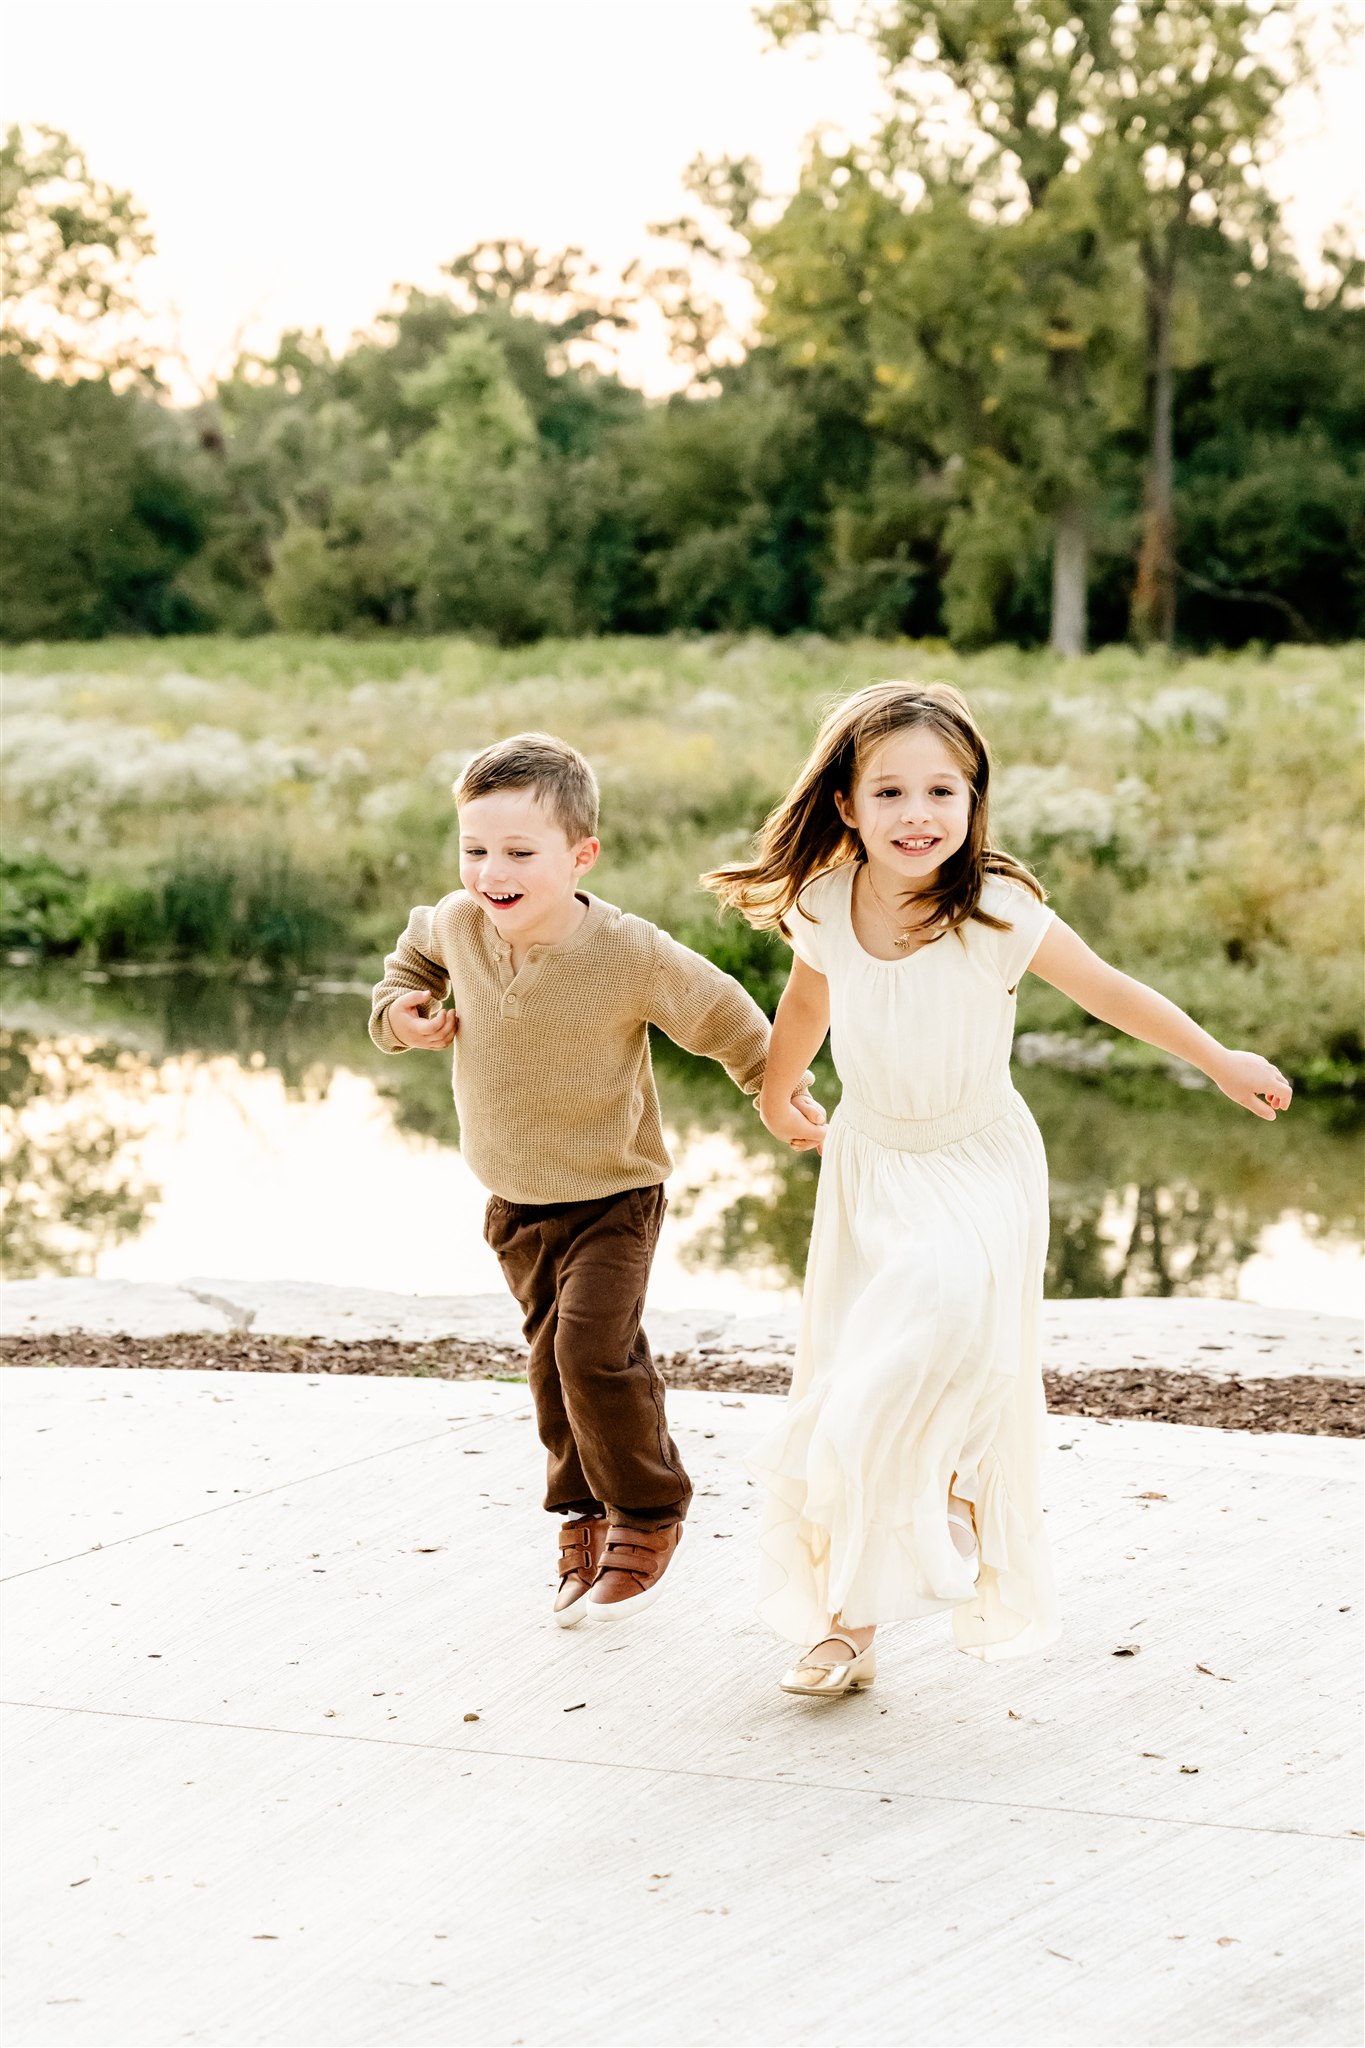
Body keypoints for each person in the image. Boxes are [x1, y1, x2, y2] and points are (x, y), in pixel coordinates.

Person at [704, 681, 1293, 1698]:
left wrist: (1215, 1056)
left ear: (976, 802)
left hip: (978, 1160)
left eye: (945, 788)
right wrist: (775, 1087)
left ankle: (951, 1486)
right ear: (845, 804)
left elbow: (1110, 990)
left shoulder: (996, 910)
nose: (918, 812)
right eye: (889, 790)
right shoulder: (824, 904)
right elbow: (807, 999)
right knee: (859, 1388)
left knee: (935, 1318)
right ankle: (847, 1624)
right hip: (873, 1161)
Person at [369, 731, 824, 1629]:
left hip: (614, 1196)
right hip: (513, 1202)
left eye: (518, 853)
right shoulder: (454, 925)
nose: (490, 872)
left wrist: (778, 1092)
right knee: (550, 1369)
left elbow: (721, 1011)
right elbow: (405, 968)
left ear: (580, 856)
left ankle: (650, 1510)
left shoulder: (627, 952)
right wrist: (401, 1015)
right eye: (473, 849)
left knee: (591, 1352)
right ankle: (581, 1510)